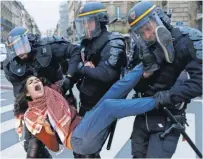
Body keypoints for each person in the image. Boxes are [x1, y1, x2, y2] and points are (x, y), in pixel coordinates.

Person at [14, 64, 158, 157]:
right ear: (28, 93)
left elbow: (67, 81)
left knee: (115, 89)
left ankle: (147, 63)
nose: (36, 82)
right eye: (31, 83)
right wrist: (45, 129)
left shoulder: (51, 91)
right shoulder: (32, 114)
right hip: (77, 138)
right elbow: (54, 147)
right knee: (108, 106)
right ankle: (160, 100)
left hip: (85, 122)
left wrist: (82, 68)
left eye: (36, 80)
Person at [127, 1, 202, 158]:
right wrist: (144, 76)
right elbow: (136, 86)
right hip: (143, 117)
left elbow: (200, 81)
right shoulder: (141, 50)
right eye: (141, 32)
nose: (147, 35)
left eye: (148, 28)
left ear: (160, 19)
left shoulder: (187, 39)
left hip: (169, 117)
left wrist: (168, 96)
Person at [3, 26, 81, 158]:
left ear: (30, 41)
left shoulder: (48, 46)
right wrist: (28, 112)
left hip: (59, 98)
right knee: (32, 148)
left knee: (79, 140)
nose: (20, 51)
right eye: (16, 48)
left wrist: (69, 78)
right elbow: (20, 93)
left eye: (22, 45)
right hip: (36, 107)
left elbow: (74, 51)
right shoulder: (11, 66)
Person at [75, 1, 127, 117]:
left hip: (103, 107)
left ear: (99, 21)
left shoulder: (113, 41)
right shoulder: (87, 43)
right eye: (83, 22)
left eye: (89, 21)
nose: (85, 26)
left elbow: (106, 74)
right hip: (86, 104)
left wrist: (82, 68)